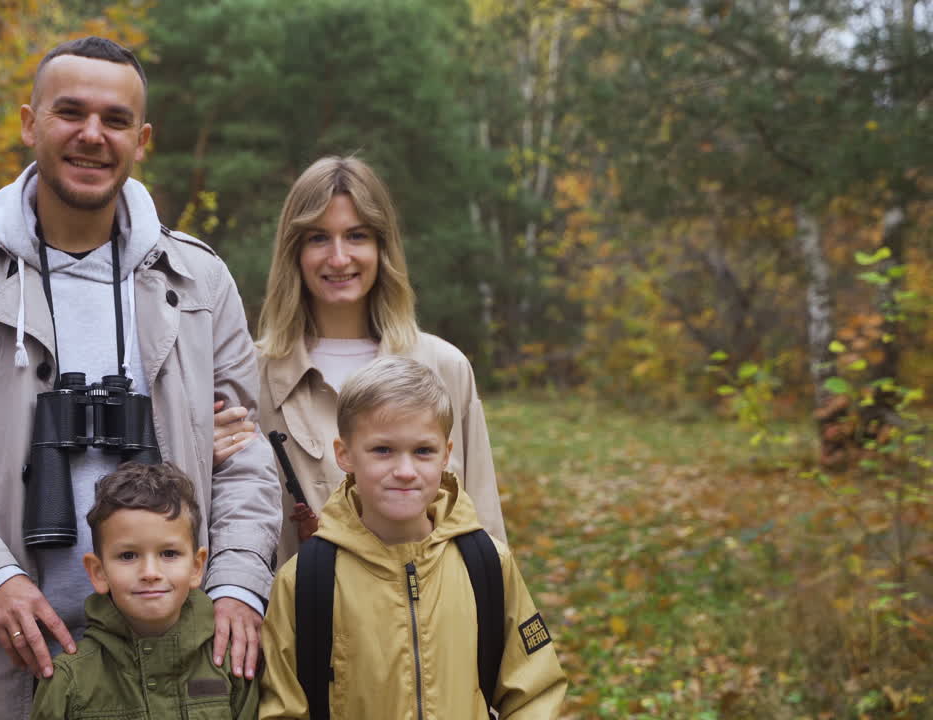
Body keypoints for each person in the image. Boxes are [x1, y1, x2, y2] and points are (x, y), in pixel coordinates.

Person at [0, 37, 280, 720]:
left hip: (170, 665)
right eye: (70, 113)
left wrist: (238, 581)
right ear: (29, 122)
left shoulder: (197, 281)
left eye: (115, 120)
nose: (92, 136)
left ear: (142, 139)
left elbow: (245, 458)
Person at [214, 155, 506, 563]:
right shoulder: (248, 377)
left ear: (382, 246)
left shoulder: (445, 368)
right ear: (293, 252)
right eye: (318, 238)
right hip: (297, 622)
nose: (338, 258)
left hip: (434, 624)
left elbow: (485, 528)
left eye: (356, 236)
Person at [258, 356, 566, 719]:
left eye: (423, 451)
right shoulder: (305, 579)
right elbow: (282, 709)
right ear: (344, 454)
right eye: (383, 450)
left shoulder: (486, 564)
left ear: (446, 456)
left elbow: (535, 692)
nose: (405, 472)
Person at [30, 462, 259, 719]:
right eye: (128, 555)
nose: (150, 572)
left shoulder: (231, 665)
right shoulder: (68, 680)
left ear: (196, 567)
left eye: (169, 553)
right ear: (98, 572)